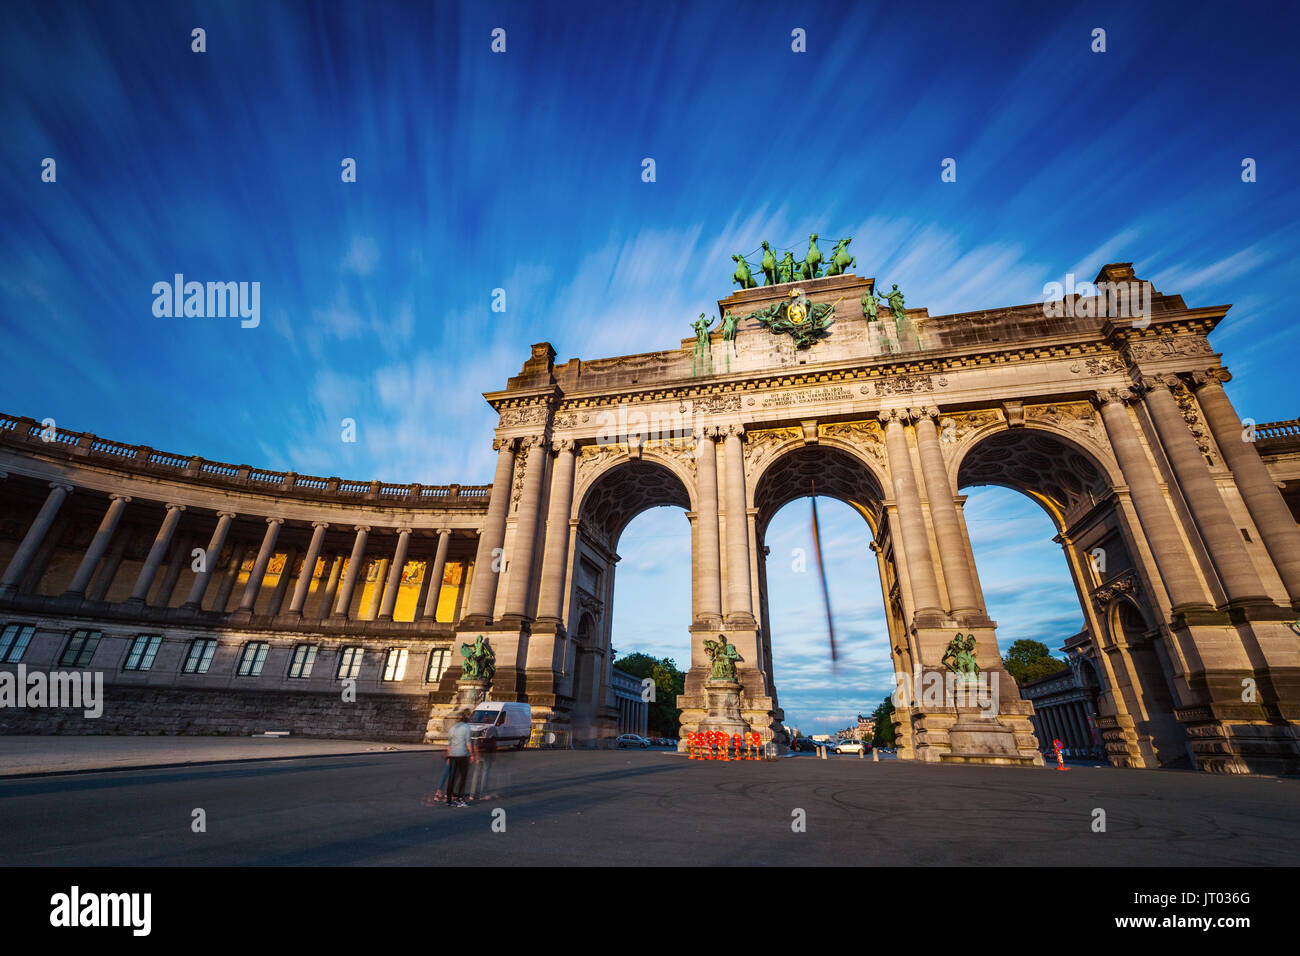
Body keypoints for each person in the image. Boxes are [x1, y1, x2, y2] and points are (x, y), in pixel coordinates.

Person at [446, 709, 474, 807]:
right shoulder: (466, 727)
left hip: (452, 755)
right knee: (463, 777)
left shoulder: (452, 728)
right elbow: (468, 743)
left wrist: (448, 757)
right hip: (462, 754)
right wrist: (471, 755)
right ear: (465, 718)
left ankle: (448, 799)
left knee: (451, 777)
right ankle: (460, 798)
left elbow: (449, 744)